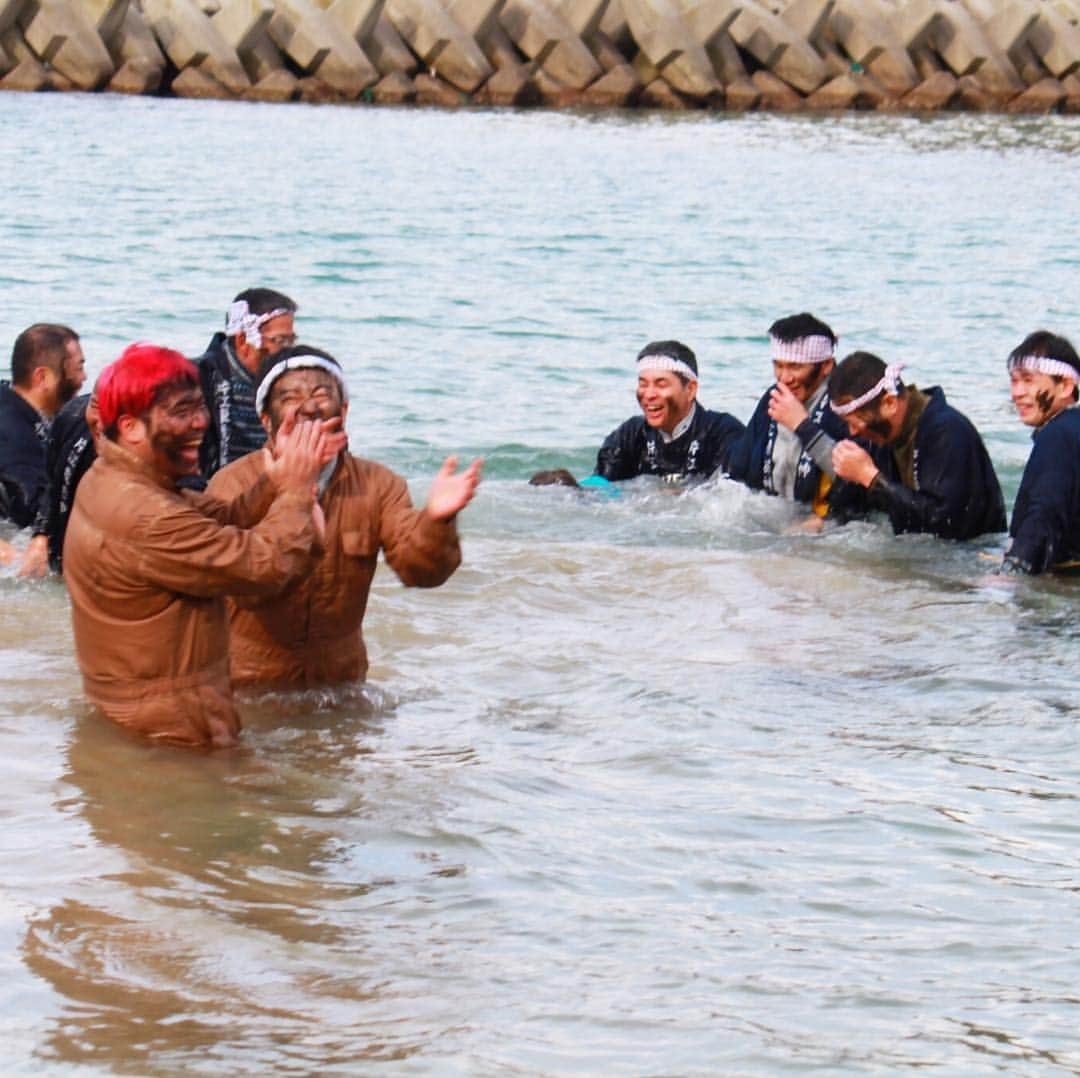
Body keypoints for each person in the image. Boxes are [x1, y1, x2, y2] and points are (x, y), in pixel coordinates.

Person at [63, 342, 338, 748]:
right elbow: (264, 567)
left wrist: (274, 481)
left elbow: (215, 524)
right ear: (131, 426)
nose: (200, 423)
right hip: (171, 737)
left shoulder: (116, 477)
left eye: (199, 407)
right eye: (181, 413)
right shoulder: (145, 513)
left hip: (140, 724)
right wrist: (297, 493)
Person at [206, 345, 482, 690]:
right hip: (247, 683)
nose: (308, 406)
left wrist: (437, 519)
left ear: (345, 409)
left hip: (341, 683)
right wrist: (293, 491)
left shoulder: (378, 484)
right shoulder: (233, 484)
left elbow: (422, 572)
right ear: (266, 419)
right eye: (290, 398)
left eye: (321, 394)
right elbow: (234, 581)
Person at [829, 351, 1005, 541]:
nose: (852, 432)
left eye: (857, 422)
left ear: (889, 403)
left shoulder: (948, 432)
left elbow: (946, 524)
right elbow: (844, 512)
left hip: (971, 557)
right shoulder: (878, 435)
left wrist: (871, 478)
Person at [727, 312, 853, 518]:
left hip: (823, 524)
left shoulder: (844, 405)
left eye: (795, 366)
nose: (785, 378)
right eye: (778, 365)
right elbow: (738, 469)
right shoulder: (773, 396)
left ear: (826, 366)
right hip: (773, 514)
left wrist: (802, 426)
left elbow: (856, 483)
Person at [594, 341, 744, 483]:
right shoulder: (632, 434)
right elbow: (600, 489)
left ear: (690, 389)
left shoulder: (723, 433)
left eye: (661, 385)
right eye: (643, 384)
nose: (649, 394)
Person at [195, 287, 298, 478]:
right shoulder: (197, 380)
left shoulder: (290, 382)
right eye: (280, 340)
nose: (288, 350)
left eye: (291, 340)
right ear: (243, 340)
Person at [1001, 331, 1080, 575]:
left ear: (1065, 386)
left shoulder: (1057, 434)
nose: (1017, 392)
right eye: (1014, 381)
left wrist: (1009, 572)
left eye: (1028, 380)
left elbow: (1045, 511)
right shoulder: (1072, 428)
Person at [0, 323, 86, 529]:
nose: (84, 378)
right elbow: (31, 512)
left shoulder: (9, 398)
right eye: (79, 368)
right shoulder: (16, 437)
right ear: (42, 377)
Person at [17, 390, 103, 578]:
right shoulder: (72, 415)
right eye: (98, 407)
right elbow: (51, 482)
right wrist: (41, 536)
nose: (102, 423)